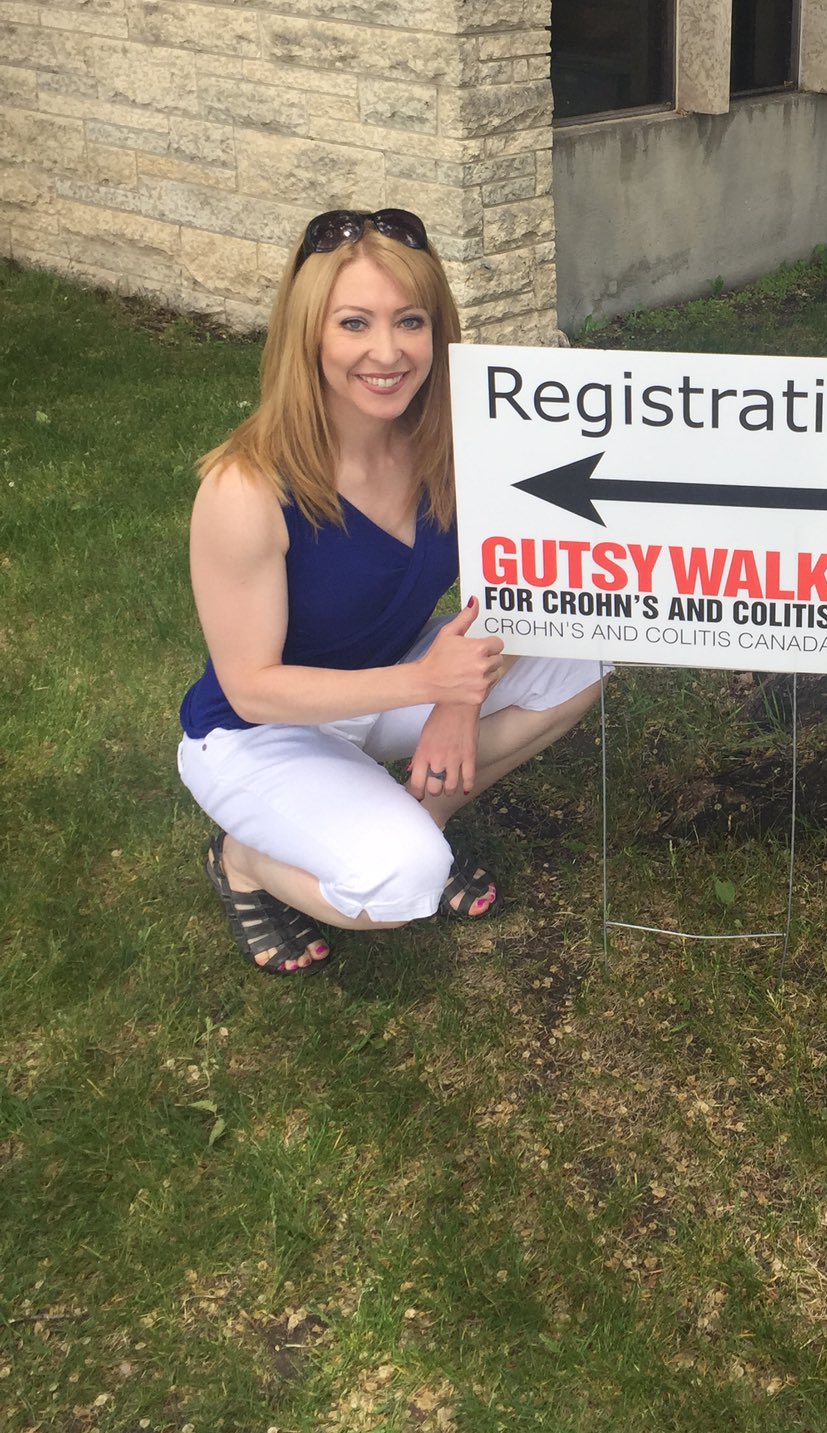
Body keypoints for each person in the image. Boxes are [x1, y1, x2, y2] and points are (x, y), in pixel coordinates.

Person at [178, 207, 606, 975]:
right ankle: (243, 859)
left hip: (388, 680)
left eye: (410, 321)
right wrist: (430, 684)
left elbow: (517, 581)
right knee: (402, 886)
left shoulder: (449, 444)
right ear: (308, 334)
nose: (388, 351)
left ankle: (422, 817)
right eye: (354, 324)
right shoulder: (245, 489)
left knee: (583, 651)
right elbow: (252, 689)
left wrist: (458, 703)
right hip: (258, 731)